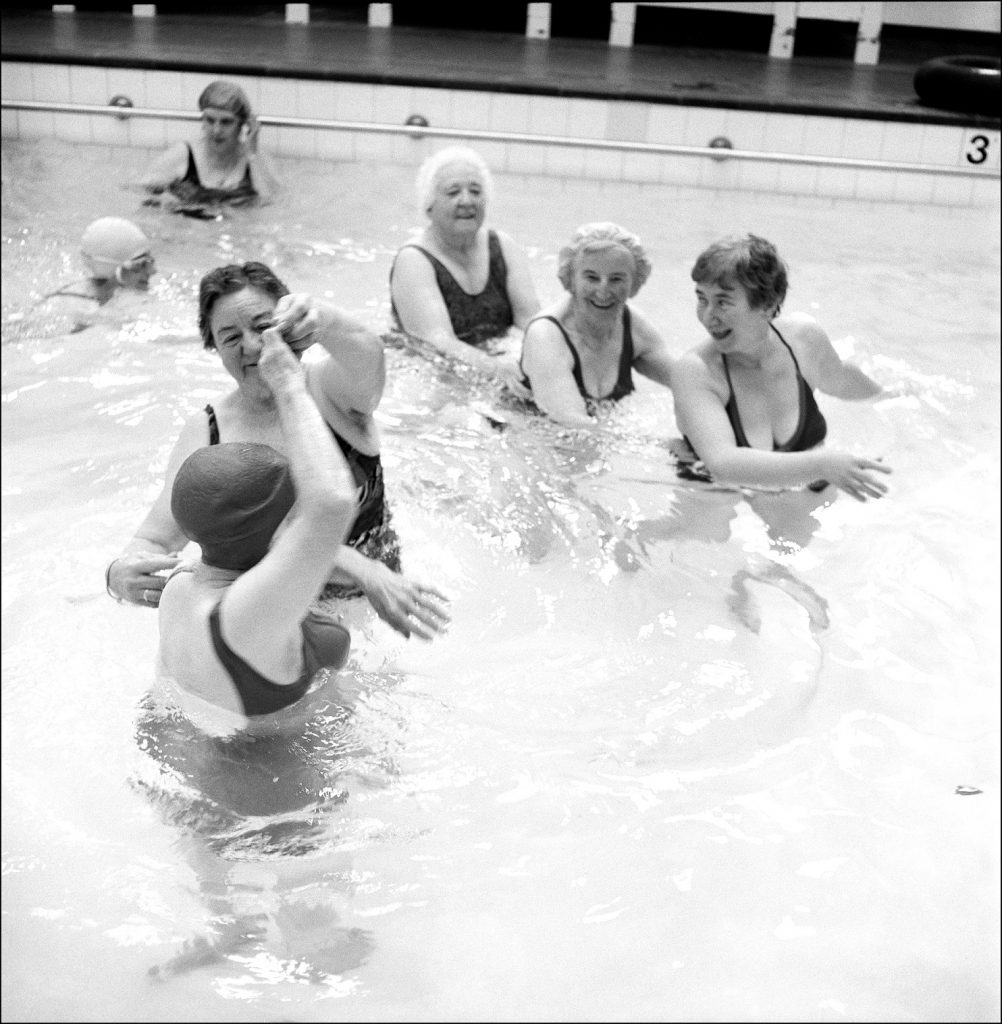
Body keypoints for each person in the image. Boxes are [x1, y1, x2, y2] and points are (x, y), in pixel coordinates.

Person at [106, 261, 449, 640]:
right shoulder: (208, 432)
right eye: (231, 337)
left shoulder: (333, 392)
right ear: (214, 348)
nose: (252, 346)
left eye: (262, 326)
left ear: (292, 325)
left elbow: (369, 356)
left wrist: (323, 319)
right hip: (273, 620)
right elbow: (155, 538)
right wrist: (118, 575)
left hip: (379, 605)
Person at [157, 327, 359, 718]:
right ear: (272, 531)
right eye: (293, 514)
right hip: (274, 773)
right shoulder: (244, 615)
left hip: (215, 755)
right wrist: (289, 385)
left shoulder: (181, 586)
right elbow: (333, 503)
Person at [671, 233, 892, 501]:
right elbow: (723, 463)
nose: (708, 317)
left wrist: (893, 397)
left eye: (723, 302)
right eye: (702, 299)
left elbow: (841, 379)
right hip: (712, 488)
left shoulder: (803, 340)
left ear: (767, 306)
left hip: (799, 486)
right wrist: (822, 463)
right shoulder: (696, 371)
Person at [389, 146, 540, 393]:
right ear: (429, 205)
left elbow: (531, 321)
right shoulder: (414, 260)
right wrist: (497, 369)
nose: (467, 201)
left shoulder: (503, 246)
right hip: (432, 373)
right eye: (453, 192)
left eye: (475, 191)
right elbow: (436, 342)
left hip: (494, 356)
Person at [518, 222, 676, 425]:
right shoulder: (546, 336)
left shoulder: (634, 326)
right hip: (522, 437)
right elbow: (573, 426)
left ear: (634, 283)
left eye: (616, 279)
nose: (603, 291)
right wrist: (661, 446)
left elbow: (689, 384)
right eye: (592, 277)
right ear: (571, 279)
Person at [140, 80, 280, 217]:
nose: (216, 130)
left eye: (226, 122)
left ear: (242, 125)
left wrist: (252, 156)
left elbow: (273, 206)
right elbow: (136, 192)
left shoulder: (256, 160)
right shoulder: (183, 155)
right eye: (210, 120)